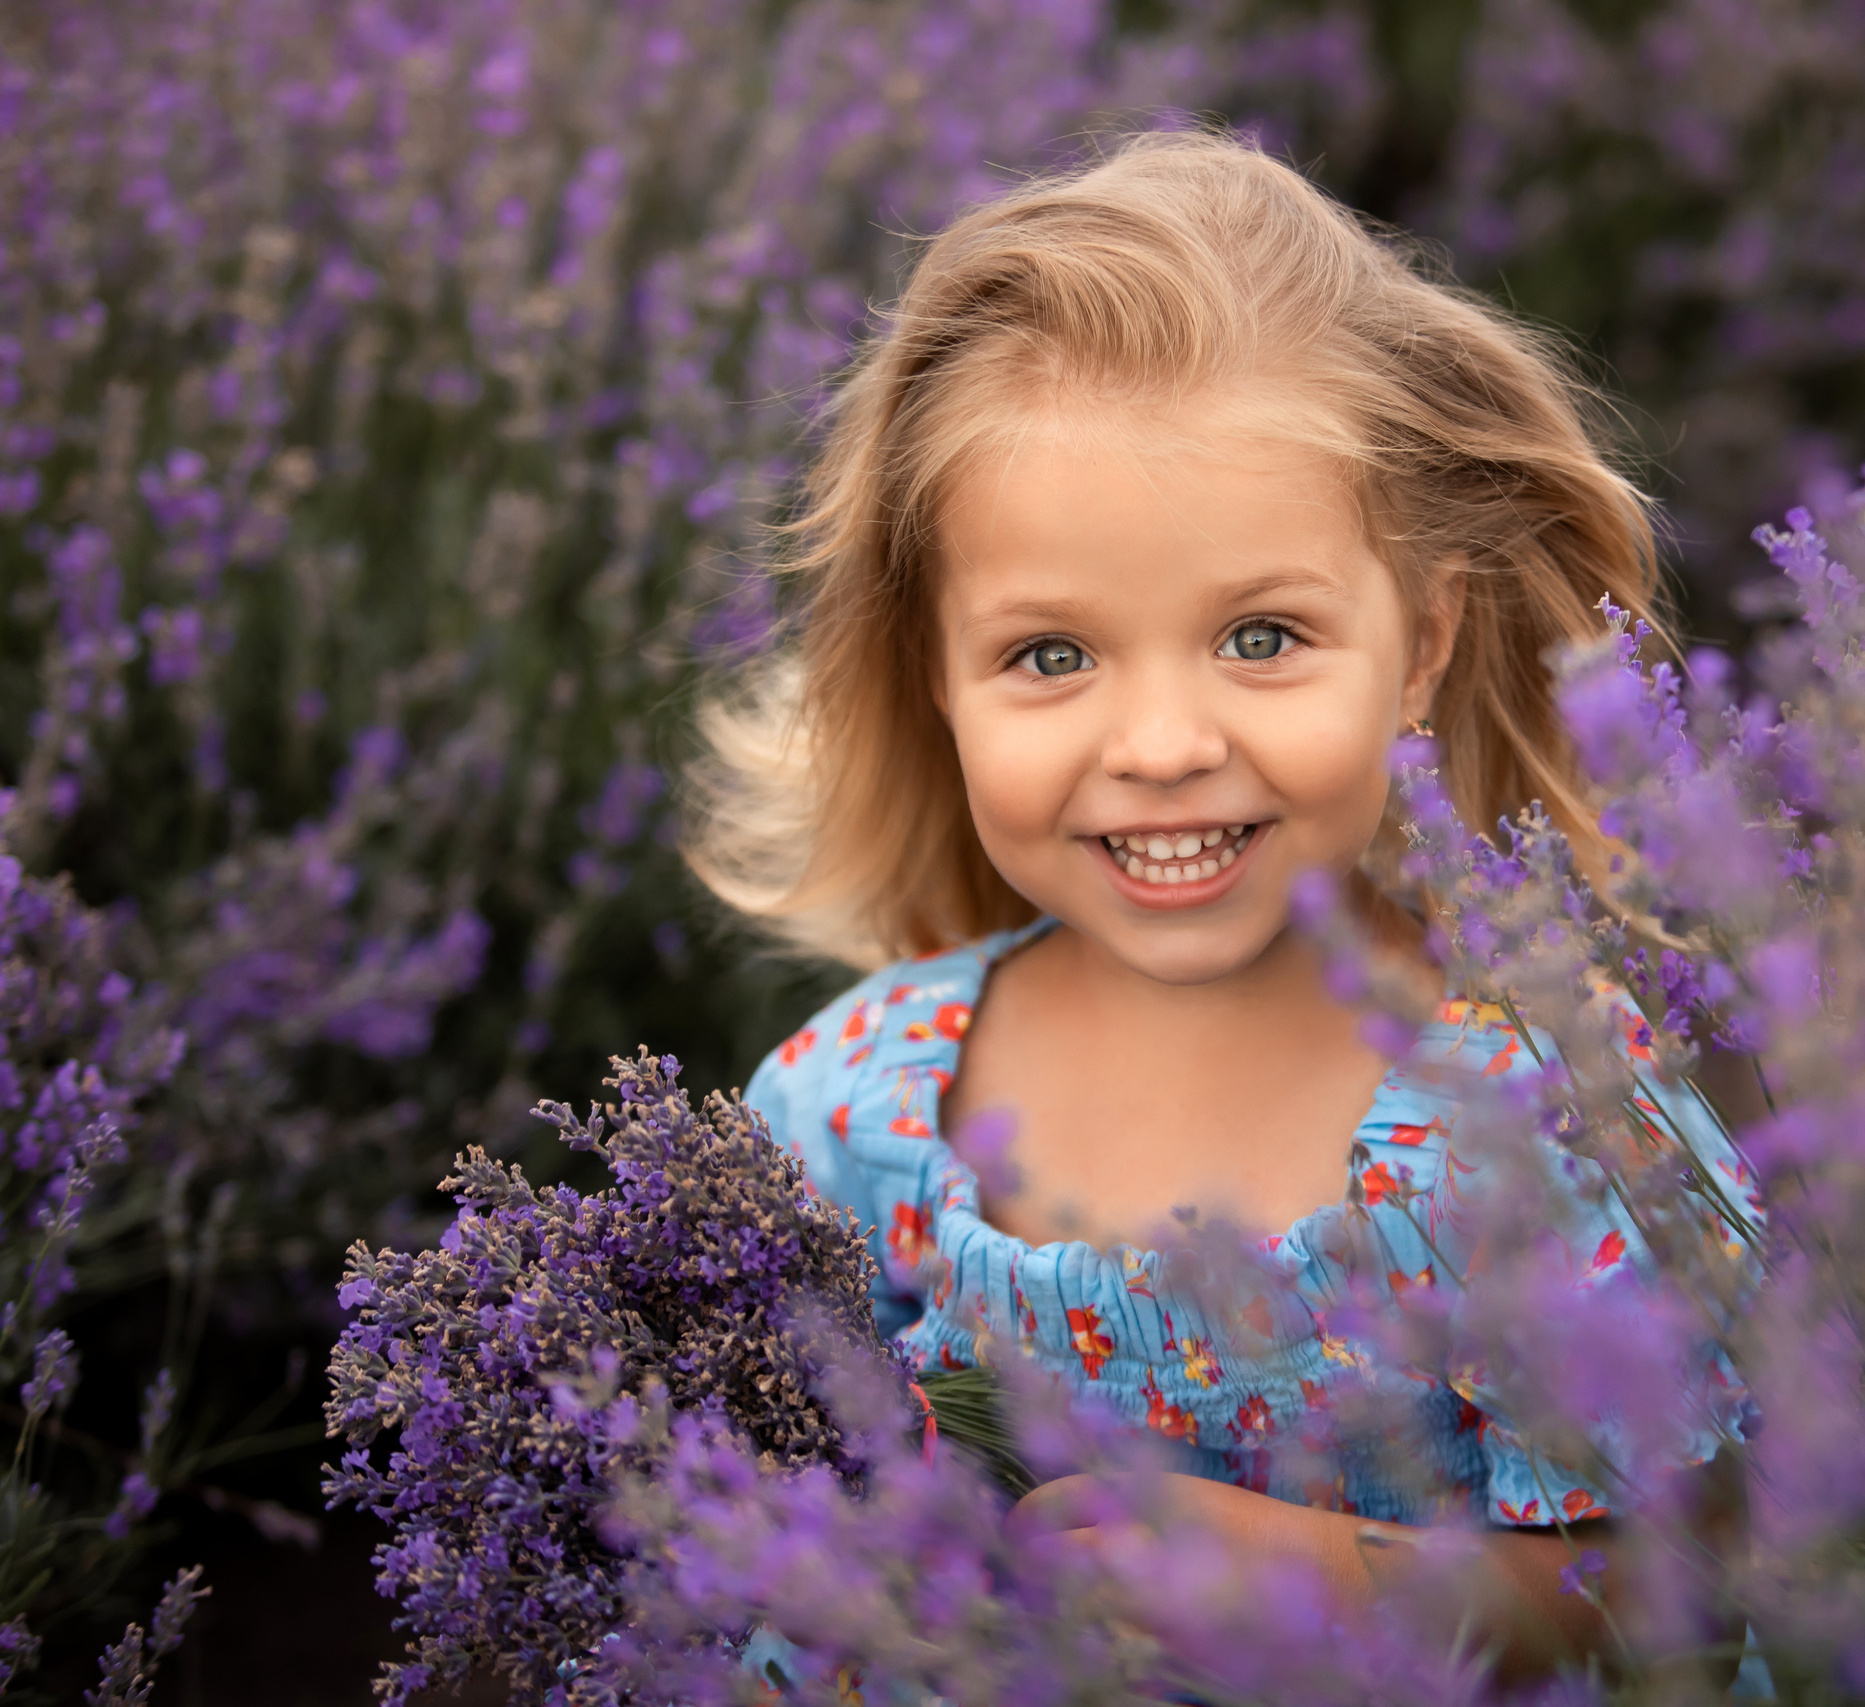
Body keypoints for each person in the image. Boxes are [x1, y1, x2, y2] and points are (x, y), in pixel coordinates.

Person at [687, 129, 1762, 1682]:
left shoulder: (1542, 1115)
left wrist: (1323, 1583)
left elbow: (1696, 1575)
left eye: (1261, 637)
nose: (1164, 745)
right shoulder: (845, 1110)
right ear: (936, 675)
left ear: (1424, 644)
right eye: (1051, 655)